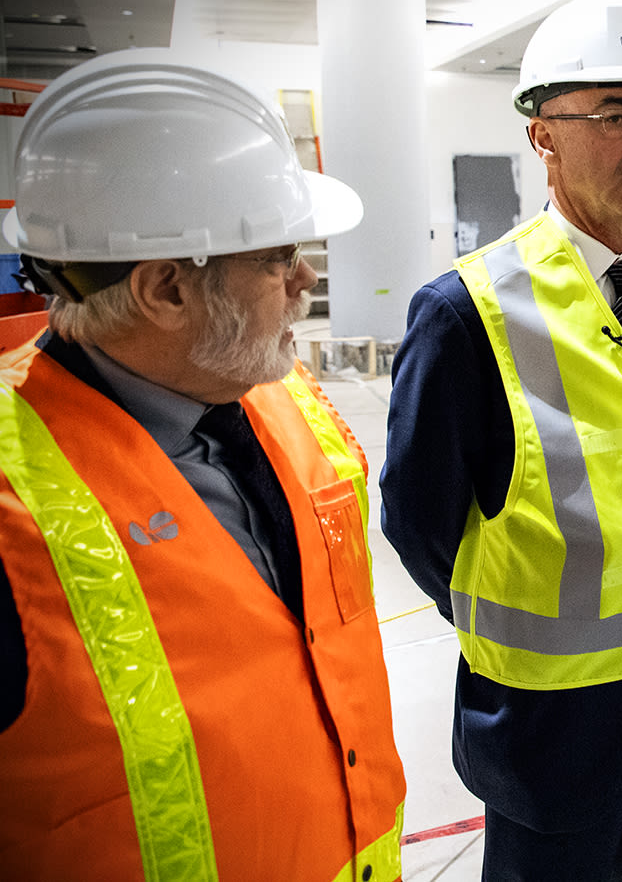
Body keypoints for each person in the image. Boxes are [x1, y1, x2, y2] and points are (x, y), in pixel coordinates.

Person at [0, 50, 406, 880]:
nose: (304, 278)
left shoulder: (275, 390)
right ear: (165, 290)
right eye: (274, 256)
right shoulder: (13, 517)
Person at [381, 0, 622, 881]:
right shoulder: (466, 310)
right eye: (616, 115)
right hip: (554, 711)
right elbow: (418, 521)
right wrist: (521, 605)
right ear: (542, 132)